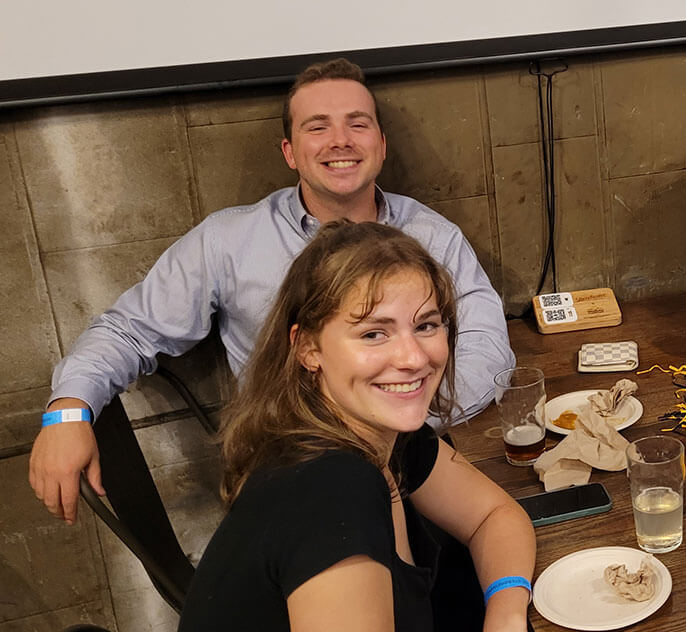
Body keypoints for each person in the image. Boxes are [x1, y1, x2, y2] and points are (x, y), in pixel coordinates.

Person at [29, 57, 515, 524]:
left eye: (358, 124)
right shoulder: (228, 241)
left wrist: (403, 414)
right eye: (317, 126)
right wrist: (66, 411)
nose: (340, 141)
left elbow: (487, 345)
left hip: (417, 461)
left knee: (514, 531)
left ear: (382, 145)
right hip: (295, 478)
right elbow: (128, 330)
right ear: (289, 151)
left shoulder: (433, 235)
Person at [166, 221, 570, 632]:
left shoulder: (378, 433)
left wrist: (504, 627)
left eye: (426, 325)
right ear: (308, 348)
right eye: (373, 333)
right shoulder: (329, 487)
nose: (413, 357)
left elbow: (495, 515)